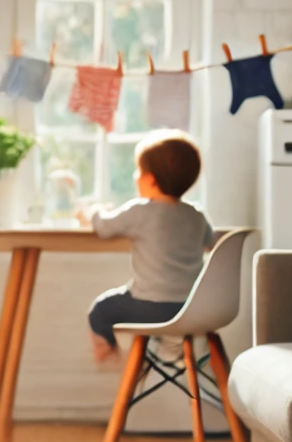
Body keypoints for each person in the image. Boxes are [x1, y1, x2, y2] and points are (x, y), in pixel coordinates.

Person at [88, 130, 213, 364]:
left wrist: (93, 213)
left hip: (148, 308)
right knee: (165, 309)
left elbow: (104, 228)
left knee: (101, 309)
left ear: (151, 180)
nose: (136, 177)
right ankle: (170, 343)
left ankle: (108, 349)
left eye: (139, 171)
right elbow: (210, 241)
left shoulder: (140, 211)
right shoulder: (196, 215)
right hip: (192, 308)